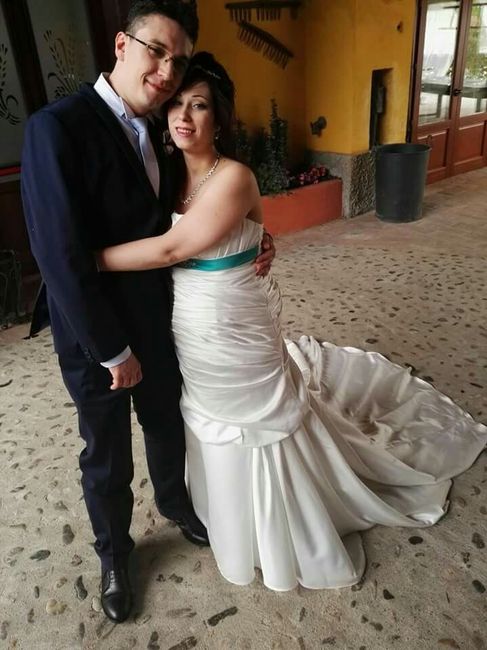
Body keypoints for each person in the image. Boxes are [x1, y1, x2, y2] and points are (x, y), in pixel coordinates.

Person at [97, 51, 487, 593]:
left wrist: (83, 260)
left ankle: (290, 523)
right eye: (177, 103)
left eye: (199, 105)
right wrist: (261, 241)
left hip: (236, 323)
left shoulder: (235, 176)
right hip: (188, 319)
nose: (184, 115)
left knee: (255, 412)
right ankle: (228, 516)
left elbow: (170, 248)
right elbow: (235, 235)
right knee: (207, 413)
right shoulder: (165, 176)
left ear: (220, 119)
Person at [21, 1, 275, 624]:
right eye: (155, 51)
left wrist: (251, 235)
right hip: (95, 336)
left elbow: (188, 213)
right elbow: (58, 255)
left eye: (177, 61)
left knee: (165, 423)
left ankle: (176, 505)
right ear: (121, 45)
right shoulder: (57, 127)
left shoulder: (162, 127)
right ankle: (114, 556)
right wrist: (113, 352)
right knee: (106, 450)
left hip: (162, 318)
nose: (166, 71)